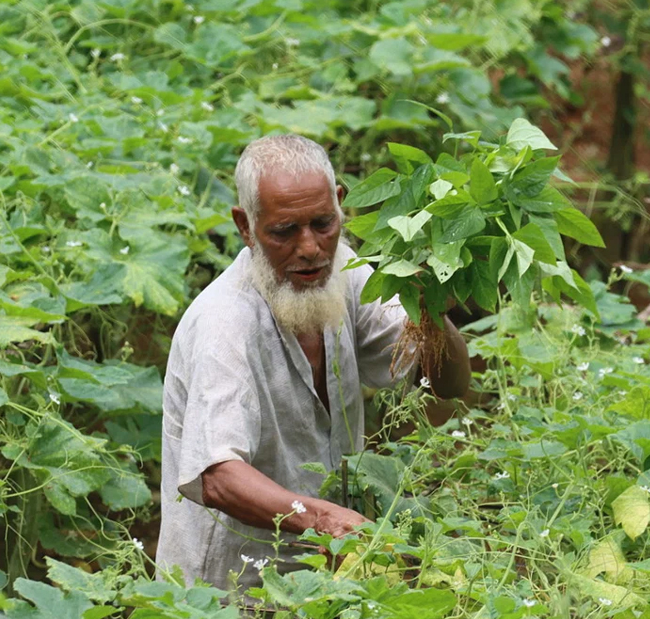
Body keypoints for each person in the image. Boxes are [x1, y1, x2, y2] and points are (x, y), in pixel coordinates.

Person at [154, 134, 470, 592]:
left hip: (324, 584)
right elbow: (217, 475)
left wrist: (433, 311)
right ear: (246, 226)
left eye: (323, 223)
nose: (310, 248)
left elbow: (449, 383)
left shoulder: (349, 272)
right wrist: (322, 517)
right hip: (229, 593)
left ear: (340, 205)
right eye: (283, 231)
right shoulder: (224, 322)